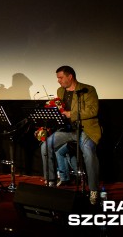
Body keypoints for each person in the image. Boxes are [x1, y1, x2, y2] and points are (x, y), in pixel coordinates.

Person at [40, 65, 101, 205]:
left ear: (70, 76)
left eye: (60, 77)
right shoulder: (60, 91)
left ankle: (94, 190)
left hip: (86, 129)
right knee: (45, 146)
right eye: (57, 78)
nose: (58, 81)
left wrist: (70, 114)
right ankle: (51, 182)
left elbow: (93, 111)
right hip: (67, 130)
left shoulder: (88, 89)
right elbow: (61, 109)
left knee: (88, 151)